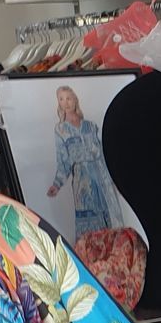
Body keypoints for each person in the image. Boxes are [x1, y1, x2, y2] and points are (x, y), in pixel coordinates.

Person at [46, 84, 121, 235]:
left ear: (75, 100)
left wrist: (115, 179)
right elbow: (63, 160)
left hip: (102, 176)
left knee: (111, 221)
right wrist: (57, 184)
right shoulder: (60, 130)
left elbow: (103, 153)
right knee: (89, 224)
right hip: (83, 181)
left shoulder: (91, 126)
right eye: (61, 99)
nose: (65, 102)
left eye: (68, 98)